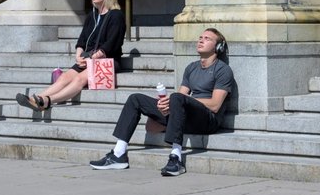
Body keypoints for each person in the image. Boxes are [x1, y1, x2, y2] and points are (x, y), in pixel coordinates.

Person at [89, 28, 234, 177]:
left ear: (218, 47)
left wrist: (177, 101)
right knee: (135, 99)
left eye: (207, 39)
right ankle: (119, 154)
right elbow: (181, 96)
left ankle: (176, 158)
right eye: (200, 37)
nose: (201, 40)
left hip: (208, 120)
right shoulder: (191, 68)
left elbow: (215, 105)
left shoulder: (223, 70)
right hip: (189, 115)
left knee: (176, 98)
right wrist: (166, 106)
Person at [15, 0, 126, 111]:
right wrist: (78, 55)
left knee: (79, 79)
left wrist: (93, 58)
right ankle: (35, 99)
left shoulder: (116, 15)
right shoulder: (92, 16)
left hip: (107, 60)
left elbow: (112, 43)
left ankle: (47, 101)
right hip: (88, 58)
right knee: (64, 77)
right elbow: (82, 40)